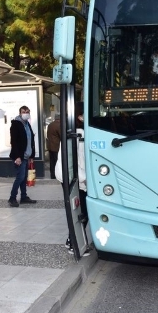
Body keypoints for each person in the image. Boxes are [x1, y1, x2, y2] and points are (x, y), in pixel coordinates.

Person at [55, 103, 88, 255]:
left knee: (80, 210)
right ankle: (73, 242)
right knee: (80, 210)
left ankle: (74, 241)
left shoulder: (75, 132)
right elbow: (74, 160)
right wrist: (84, 179)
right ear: (79, 116)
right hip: (71, 177)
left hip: (73, 176)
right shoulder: (77, 134)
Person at [8, 105, 38, 207]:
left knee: (24, 177)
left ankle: (24, 197)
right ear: (20, 113)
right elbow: (14, 142)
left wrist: (31, 156)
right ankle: (12, 198)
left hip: (27, 156)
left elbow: (31, 141)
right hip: (20, 156)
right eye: (24, 111)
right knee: (20, 177)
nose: (26, 113)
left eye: (27, 111)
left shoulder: (27, 124)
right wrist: (17, 157)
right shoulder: (16, 124)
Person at [46, 113, 61, 179]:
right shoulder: (59, 125)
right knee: (57, 161)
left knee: (52, 162)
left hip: (50, 146)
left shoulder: (50, 125)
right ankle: (57, 175)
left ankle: (52, 175)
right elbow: (61, 135)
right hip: (56, 146)